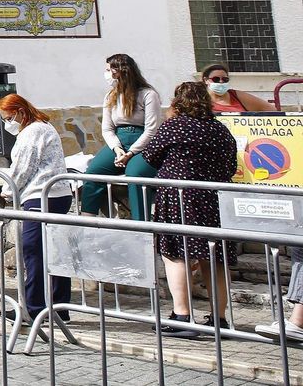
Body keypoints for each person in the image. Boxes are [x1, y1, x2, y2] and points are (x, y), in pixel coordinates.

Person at [139, 80, 240, 338]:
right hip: (215, 200)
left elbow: (150, 155)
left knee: (176, 253)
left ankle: (182, 315)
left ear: (177, 102)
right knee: (214, 257)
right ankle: (219, 319)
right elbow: (230, 166)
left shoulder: (174, 126)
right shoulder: (219, 129)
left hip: (179, 198)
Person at [0, 93, 73, 323]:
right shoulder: (44, 126)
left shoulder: (32, 132)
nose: (8, 123)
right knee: (54, 252)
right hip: (57, 194)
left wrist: (8, 190)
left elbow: (23, 167)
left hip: (40, 197)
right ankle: (59, 308)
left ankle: (34, 307)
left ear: (20, 112)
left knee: (34, 251)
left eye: (9, 118)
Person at [79, 53, 161, 221]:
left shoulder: (148, 94)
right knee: (93, 173)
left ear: (121, 71)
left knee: (135, 174)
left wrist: (131, 153)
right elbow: (107, 129)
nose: (107, 74)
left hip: (142, 141)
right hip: (119, 140)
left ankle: (141, 223)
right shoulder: (111, 96)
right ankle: (86, 219)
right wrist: (117, 150)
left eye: (109, 70)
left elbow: (152, 129)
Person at [202, 63, 272, 113]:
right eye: (216, 79)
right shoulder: (198, 99)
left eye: (225, 79)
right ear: (206, 80)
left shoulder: (237, 96)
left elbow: (272, 110)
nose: (221, 82)